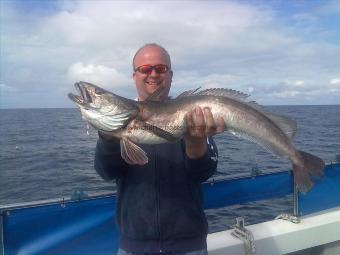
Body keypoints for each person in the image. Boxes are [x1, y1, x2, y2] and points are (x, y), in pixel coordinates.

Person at [94, 43, 225, 255]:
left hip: (189, 245)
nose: (153, 74)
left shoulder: (194, 115)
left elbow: (203, 173)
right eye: (145, 69)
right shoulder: (120, 121)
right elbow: (106, 172)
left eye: (160, 68)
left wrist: (195, 142)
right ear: (134, 76)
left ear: (171, 75)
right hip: (133, 246)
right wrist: (107, 137)